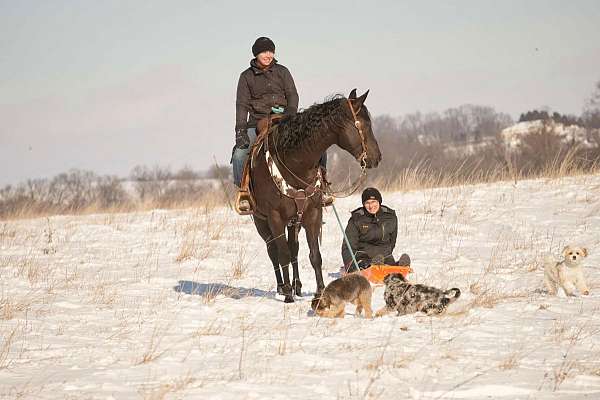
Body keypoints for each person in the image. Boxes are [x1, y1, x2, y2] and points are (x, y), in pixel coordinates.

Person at [231, 36, 329, 213]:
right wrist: (240, 131)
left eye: (271, 51)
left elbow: (293, 95)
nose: (268, 55)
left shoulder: (283, 71)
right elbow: (242, 104)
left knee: (318, 146)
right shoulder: (246, 77)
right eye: (264, 52)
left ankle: (322, 186)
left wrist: (291, 113)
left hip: (285, 119)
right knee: (239, 154)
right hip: (257, 121)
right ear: (256, 54)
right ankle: (244, 191)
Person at [341, 187, 410, 273]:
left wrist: (387, 253)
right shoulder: (356, 219)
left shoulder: (390, 217)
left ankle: (400, 266)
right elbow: (348, 246)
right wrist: (350, 265)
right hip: (362, 256)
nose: (371, 206)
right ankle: (375, 266)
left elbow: (392, 241)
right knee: (367, 265)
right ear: (363, 204)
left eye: (374, 202)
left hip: (385, 256)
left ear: (379, 202)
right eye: (367, 203)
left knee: (387, 265)